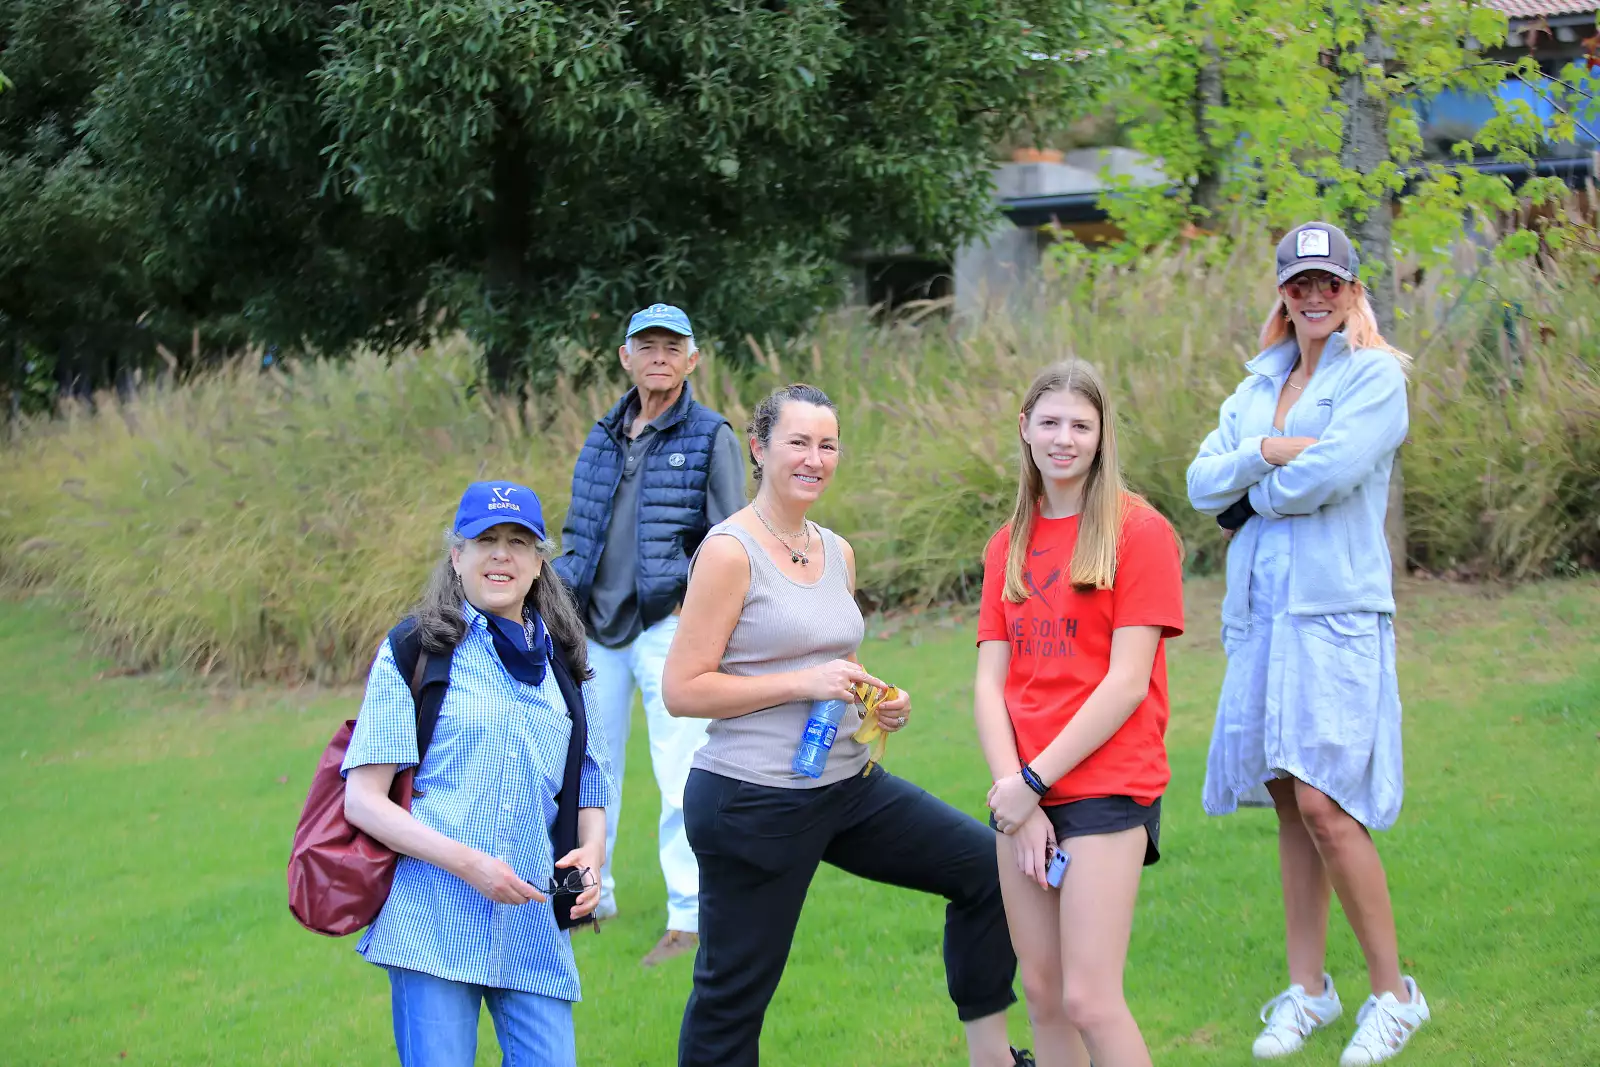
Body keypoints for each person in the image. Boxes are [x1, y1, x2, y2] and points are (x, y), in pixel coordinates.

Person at [663, 383, 1032, 1067]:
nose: (814, 457)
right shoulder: (729, 551)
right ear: (759, 446)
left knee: (986, 869)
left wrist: (877, 696)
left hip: (846, 784)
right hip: (754, 799)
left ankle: (994, 1057)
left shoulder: (835, 549)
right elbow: (683, 689)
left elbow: (838, 659)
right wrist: (804, 682)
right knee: (733, 996)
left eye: (826, 444)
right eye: (798, 442)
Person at [1187, 221, 1428, 1065]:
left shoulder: (1377, 379)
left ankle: (1395, 995)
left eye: (1330, 281)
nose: (1314, 295)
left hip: (1335, 614)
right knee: (1289, 799)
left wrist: (1252, 493)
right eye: (1300, 282)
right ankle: (1310, 989)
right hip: (1264, 615)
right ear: (1282, 292)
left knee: (1329, 802)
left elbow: (1329, 475)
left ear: (1353, 288)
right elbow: (1200, 479)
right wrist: (1263, 450)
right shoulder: (1259, 386)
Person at [341, 481, 615, 1067]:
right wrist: (471, 865)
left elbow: (589, 780)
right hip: (432, 923)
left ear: (540, 561)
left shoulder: (567, 658)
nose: (501, 555)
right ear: (455, 555)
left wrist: (591, 853)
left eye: (519, 541)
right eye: (485, 539)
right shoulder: (414, 648)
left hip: (534, 924)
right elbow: (364, 800)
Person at [975, 361, 1185, 1067]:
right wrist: (1016, 794)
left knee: (1090, 997)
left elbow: (1127, 683)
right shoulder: (1006, 545)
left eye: (1081, 425)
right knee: (1041, 989)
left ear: (1101, 436)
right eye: (1051, 422)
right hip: (1024, 792)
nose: (1064, 438)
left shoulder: (1140, 532)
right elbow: (988, 684)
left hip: (1105, 786)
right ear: (1025, 429)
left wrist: (1032, 781)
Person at [552, 302, 746, 967]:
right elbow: (579, 533)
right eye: (647, 345)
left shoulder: (713, 434)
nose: (659, 356)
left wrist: (705, 622)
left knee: (681, 773)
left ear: (692, 359)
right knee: (585, 770)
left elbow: (732, 542)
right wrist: (558, 607)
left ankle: (688, 918)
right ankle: (585, 898)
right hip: (594, 630)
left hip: (669, 628)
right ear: (624, 356)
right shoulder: (602, 435)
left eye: (673, 346)